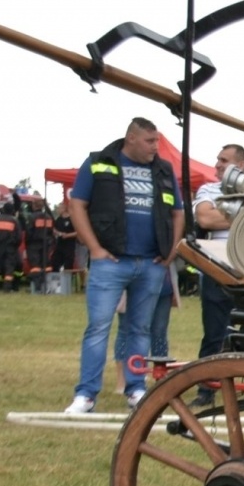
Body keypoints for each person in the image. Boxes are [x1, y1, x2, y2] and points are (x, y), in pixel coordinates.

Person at [62, 117, 183, 413]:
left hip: (152, 263)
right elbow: (77, 205)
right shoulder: (98, 163)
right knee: (98, 327)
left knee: (140, 329)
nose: (156, 147)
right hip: (111, 262)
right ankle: (86, 395)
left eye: (157, 141)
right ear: (131, 138)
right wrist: (95, 248)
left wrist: (170, 252)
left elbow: (178, 212)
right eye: (150, 141)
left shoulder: (163, 170)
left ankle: (136, 389)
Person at [192, 143, 244, 367]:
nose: (217, 164)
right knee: (214, 329)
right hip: (216, 265)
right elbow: (205, 219)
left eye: (224, 160)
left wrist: (221, 213)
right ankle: (207, 387)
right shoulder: (208, 189)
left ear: (241, 165)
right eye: (218, 159)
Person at [0, 194, 22, 291]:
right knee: (9, 267)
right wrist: (14, 246)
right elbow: (19, 237)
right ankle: (7, 287)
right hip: (10, 247)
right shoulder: (14, 221)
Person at [24, 200, 55, 292]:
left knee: (35, 266)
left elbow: (29, 231)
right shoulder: (48, 217)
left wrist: (27, 243)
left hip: (34, 244)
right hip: (46, 243)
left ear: (34, 206)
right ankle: (47, 285)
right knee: (46, 265)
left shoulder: (32, 217)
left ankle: (37, 287)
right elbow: (51, 231)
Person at [49, 202, 77, 271]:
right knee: (54, 262)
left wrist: (67, 235)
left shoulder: (72, 219)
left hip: (69, 245)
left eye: (59, 208)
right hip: (60, 245)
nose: (58, 209)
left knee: (68, 264)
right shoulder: (59, 219)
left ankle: (68, 279)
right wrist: (56, 232)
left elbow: (78, 232)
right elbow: (54, 228)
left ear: (64, 209)